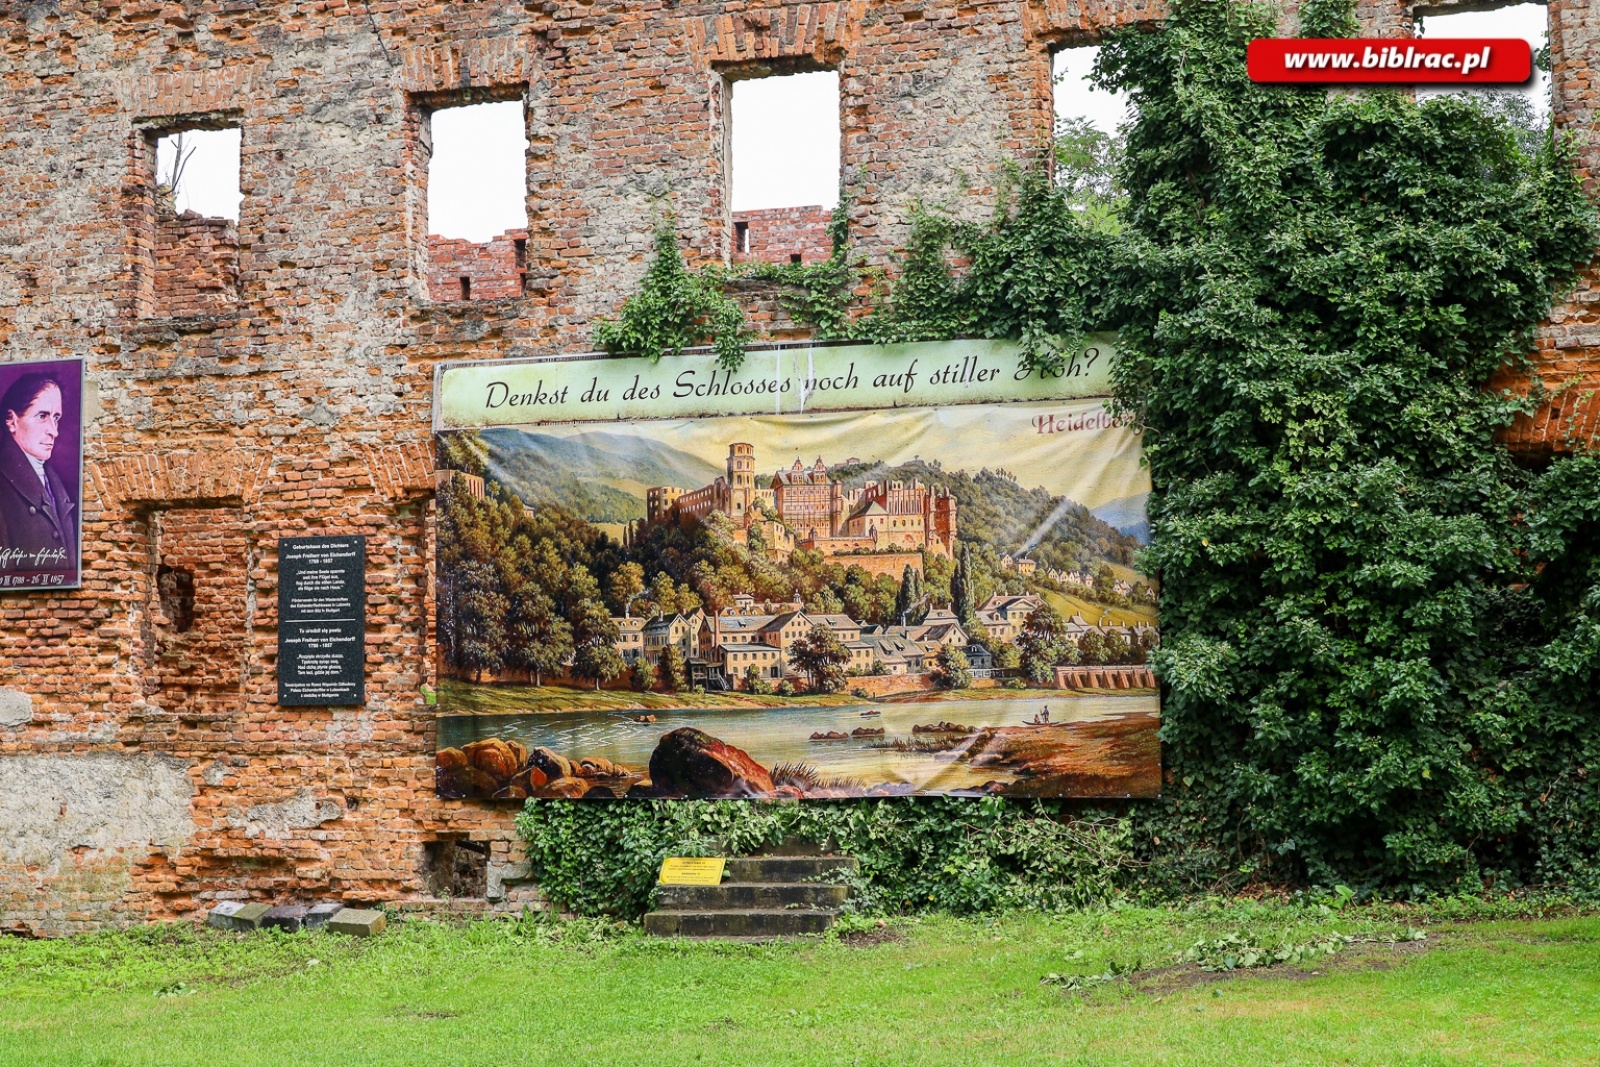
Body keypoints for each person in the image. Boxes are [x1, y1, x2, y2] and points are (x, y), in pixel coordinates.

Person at [0, 372, 76, 583]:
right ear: (12, 421)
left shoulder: (54, 481)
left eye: (56, 418)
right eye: (42, 416)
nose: (54, 431)